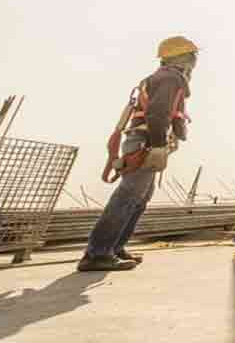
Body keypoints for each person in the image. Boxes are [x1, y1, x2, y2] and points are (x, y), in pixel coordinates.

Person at [76, 36, 198, 272]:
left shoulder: (159, 77)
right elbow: (157, 114)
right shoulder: (171, 78)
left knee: (139, 198)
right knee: (128, 197)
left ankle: (114, 247)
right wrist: (159, 145)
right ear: (183, 58)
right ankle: (97, 253)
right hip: (146, 142)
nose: (195, 62)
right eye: (192, 56)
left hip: (143, 141)